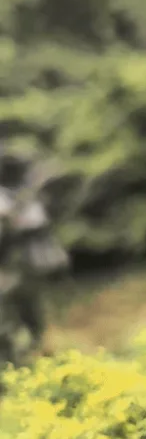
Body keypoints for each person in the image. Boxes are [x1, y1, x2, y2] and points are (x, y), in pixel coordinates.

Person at [0, 148, 69, 366]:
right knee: (13, 309)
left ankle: (35, 346)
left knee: (31, 307)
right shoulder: (8, 196)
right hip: (12, 261)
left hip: (30, 261)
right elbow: (11, 223)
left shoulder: (25, 193)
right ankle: (16, 352)